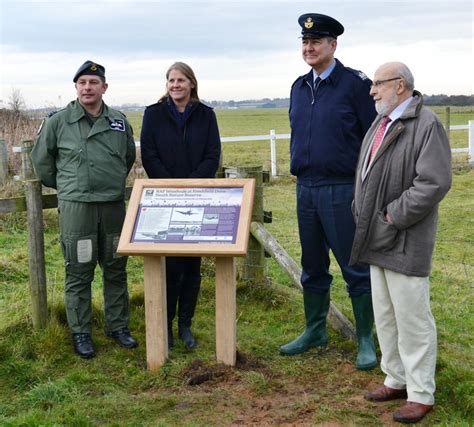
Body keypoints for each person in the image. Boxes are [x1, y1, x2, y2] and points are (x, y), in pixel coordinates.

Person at [350, 62, 452, 423]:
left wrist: (392, 216)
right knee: (386, 314)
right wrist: (360, 208)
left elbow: (433, 183)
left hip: (405, 238)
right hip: (376, 236)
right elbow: (365, 173)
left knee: (413, 318)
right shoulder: (381, 123)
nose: (372, 91)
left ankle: (421, 392)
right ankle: (396, 379)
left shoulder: (426, 125)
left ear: (400, 86)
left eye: (378, 84)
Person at [280, 13, 378, 371]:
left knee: (355, 266)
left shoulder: (355, 85)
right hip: (305, 188)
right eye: (305, 42)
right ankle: (314, 330)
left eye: (316, 42)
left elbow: (373, 139)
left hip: (342, 189)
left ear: (333, 45)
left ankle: (366, 338)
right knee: (313, 265)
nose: (309, 47)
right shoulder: (297, 86)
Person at [32, 60, 138, 359]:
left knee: (116, 267)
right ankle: (81, 332)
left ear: (104, 87)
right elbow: (42, 162)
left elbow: (127, 157)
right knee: (79, 271)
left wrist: (110, 182)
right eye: (82, 83)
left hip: (113, 206)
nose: (87, 88)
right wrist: (70, 187)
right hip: (78, 208)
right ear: (76, 87)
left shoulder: (118, 121)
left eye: (93, 83)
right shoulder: (59, 121)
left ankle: (118, 326)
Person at [140, 62, 221, 350]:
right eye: (171, 80)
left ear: (191, 84)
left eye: (181, 80)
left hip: (197, 199)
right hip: (165, 198)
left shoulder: (206, 115)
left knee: (192, 267)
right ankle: (167, 326)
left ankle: (185, 324)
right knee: (171, 267)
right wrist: (172, 186)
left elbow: (213, 154)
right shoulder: (154, 114)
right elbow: (148, 154)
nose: (176, 85)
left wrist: (192, 185)